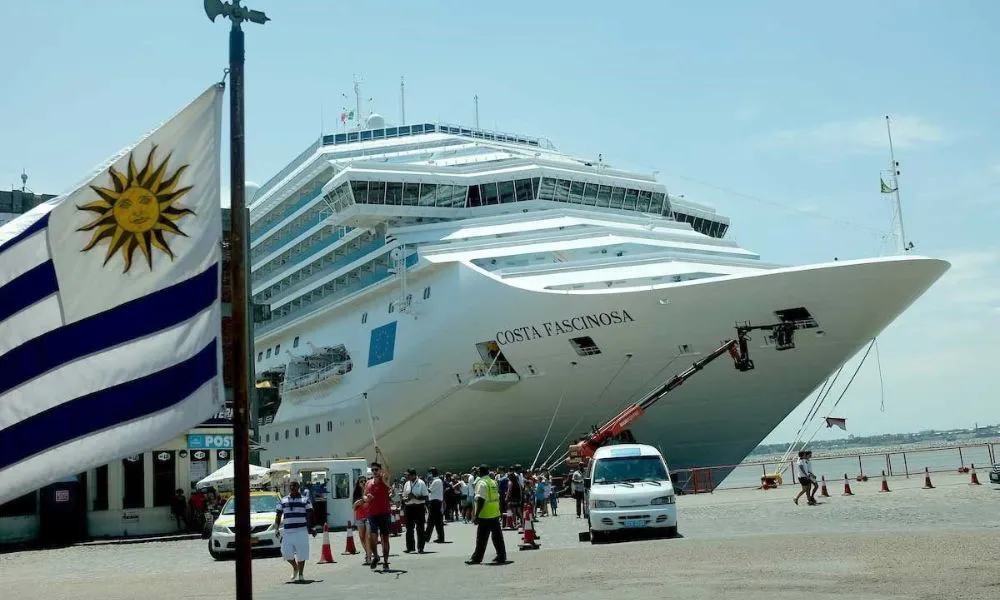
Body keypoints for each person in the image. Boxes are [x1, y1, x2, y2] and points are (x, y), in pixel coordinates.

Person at [273, 480, 317, 583]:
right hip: (288, 531)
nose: (292, 488)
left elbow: (311, 514)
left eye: (295, 486)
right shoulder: (283, 500)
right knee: (286, 553)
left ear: (298, 487)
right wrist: (276, 528)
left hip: (301, 530)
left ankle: (301, 574)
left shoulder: (305, 500)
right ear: (289, 488)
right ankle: (295, 567)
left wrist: (312, 528)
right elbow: (278, 515)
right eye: (291, 486)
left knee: (302, 553)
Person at [466, 465, 507, 565]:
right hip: (495, 512)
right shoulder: (493, 482)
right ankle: (501, 555)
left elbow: (480, 499)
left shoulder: (481, 483)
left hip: (485, 514)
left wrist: (476, 515)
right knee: (497, 536)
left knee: (481, 538)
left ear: (479, 472)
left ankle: (477, 558)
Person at [364, 452, 393, 571]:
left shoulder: (384, 479)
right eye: (373, 470)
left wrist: (380, 452)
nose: (374, 471)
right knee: (372, 537)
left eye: (376, 469)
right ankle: (375, 556)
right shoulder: (368, 483)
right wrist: (367, 498)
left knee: (385, 538)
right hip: (372, 514)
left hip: (384, 513)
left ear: (380, 470)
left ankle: (386, 561)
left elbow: (388, 467)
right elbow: (364, 497)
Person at [402, 468, 428, 553]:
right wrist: (405, 499)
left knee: (420, 528)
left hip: (418, 507)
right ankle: (410, 547)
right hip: (409, 507)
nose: (407, 477)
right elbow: (404, 495)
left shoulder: (421, 483)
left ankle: (420, 547)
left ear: (413, 475)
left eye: (408, 475)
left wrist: (415, 497)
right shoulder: (406, 484)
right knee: (409, 528)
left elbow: (425, 497)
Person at [352, 475, 372, 565]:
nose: (363, 483)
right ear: (358, 484)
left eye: (365, 481)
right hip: (359, 517)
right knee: (361, 537)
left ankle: (368, 556)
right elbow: (353, 507)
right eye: (361, 481)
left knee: (368, 537)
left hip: (369, 516)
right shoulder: (356, 493)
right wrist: (356, 503)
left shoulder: (369, 490)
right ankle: (368, 553)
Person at [424, 467, 446, 544]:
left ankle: (426, 537)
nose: (428, 475)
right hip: (437, 502)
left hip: (434, 502)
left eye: (429, 473)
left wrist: (426, 483)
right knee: (438, 522)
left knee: (430, 521)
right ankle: (441, 538)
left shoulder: (436, 481)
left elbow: (429, 490)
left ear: (432, 473)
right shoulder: (438, 480)